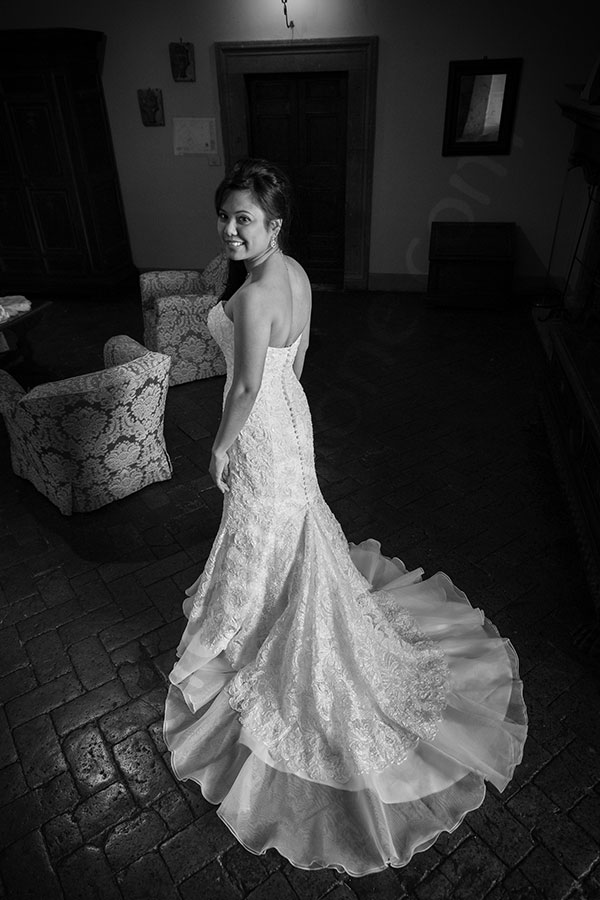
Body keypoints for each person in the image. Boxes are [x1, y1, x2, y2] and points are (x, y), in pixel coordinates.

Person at [163, 158, 527, 875]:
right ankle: (269, 613)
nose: (229, 228)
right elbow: (291, 369)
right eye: (224, 215)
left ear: (274, 224)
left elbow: (241, 385)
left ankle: (259, 627)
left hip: (261, 426)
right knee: (287, 527)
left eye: (243, 218)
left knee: (259, 525)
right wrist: (282, 419)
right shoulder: (294, 273)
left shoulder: (260, 289)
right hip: (290, 420)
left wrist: (220, 446)